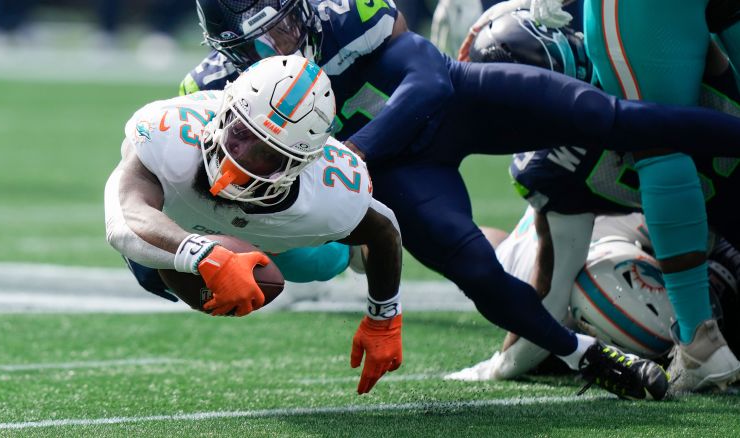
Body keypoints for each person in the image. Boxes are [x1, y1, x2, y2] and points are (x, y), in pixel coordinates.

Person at [181, 0, 740, 400]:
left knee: (607, 117)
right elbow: (182, 183)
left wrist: (350, 155)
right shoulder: (212, 90)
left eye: (280, 27)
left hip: (444, 113)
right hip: (403, 173)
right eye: (253, 44)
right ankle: (584, 355)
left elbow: (429, 83)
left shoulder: (341, 16)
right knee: (472, 264)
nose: (275, 48)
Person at [464, 7, 740, 392]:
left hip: (698, 240)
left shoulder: (549, 165)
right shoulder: (613, 71)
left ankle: (699, 341)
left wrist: (500, 366)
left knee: (597, 280)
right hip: (709, 233)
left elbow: (550, 296)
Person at [105, 55, 403, 395]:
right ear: (226, 111)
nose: (240, 157)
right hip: (176, 219)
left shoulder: (329, 193)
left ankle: (345, 254)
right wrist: (203, 254)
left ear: (301, 164)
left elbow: (384, 228)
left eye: (266, 155)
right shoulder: (169, 132)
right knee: (150, 265)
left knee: (317, 264)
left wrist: (384, 318)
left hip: (270, 225)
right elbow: (123, 219)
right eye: (240, 133)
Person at [446, 209, 740, 382]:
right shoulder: (537, 283)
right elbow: (536, 324)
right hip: (547, 250)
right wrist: (498, 368)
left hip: (564, 227)